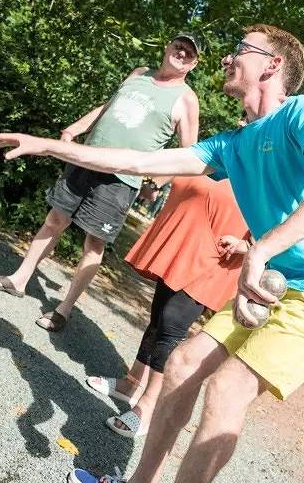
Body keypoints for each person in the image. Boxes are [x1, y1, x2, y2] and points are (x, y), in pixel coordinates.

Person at [0, 23, 304, 483]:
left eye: (241, 50)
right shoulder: (233, 145)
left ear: (272, 65)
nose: (227, 59)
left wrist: (259, 250)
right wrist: (50, 145)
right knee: (184, 363)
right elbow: (138, 159)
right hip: (278, 285)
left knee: (228, 388)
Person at [0, 32, 202, 332]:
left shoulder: (186, 99)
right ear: (167, 46)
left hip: (122, 180)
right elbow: (107, 108)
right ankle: (18, 280)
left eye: (190, 52)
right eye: (179, 46)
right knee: (55, 219)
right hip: (86, 159)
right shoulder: (139, 74)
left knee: (93, 244)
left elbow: (188, 154)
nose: (182, 53)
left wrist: (158, 182)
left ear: (194, 64)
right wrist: (75, 128)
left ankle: (63, 309)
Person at [88, 175, 249, 438]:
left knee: (172, 325)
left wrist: (250, 245)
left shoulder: (278, 158)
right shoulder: (231, 149)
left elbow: (286, 215)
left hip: (220, 255)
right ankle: (131, 384)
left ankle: (148, 406)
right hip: (186, 241)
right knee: (158, 318)